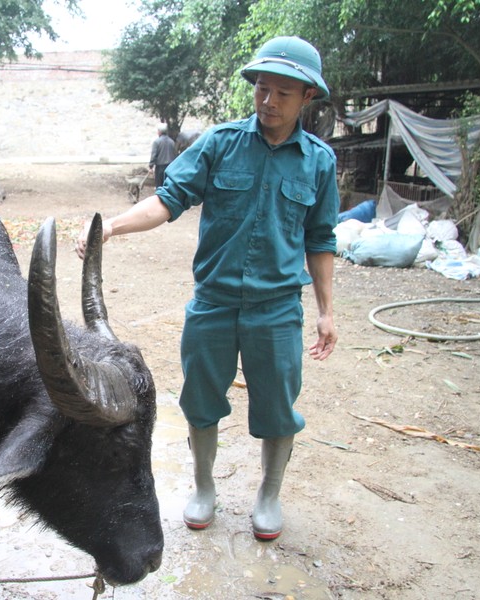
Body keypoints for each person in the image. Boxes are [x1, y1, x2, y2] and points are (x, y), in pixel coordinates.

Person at [76, 36, 338, 540]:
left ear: (307, 98)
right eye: (262, 88)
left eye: (283, 93)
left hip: (277, 309)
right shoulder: (220, 143)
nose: (269, 101)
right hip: (213, 303)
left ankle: (268, 495)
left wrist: (327, 310)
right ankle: (203, 488)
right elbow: (168, 199)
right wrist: (112, 226)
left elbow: (321, 239)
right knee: (200, 400)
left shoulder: (319, 162)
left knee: (279, 407)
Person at [149, 123, 177, 188]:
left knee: (159, 186)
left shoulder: (156, 142)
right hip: (170, 167)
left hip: (160, 168)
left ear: (159, 132)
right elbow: (175, 154)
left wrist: (151, 166)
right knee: (168, 186)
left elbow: (154, 155)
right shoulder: (172, 142)